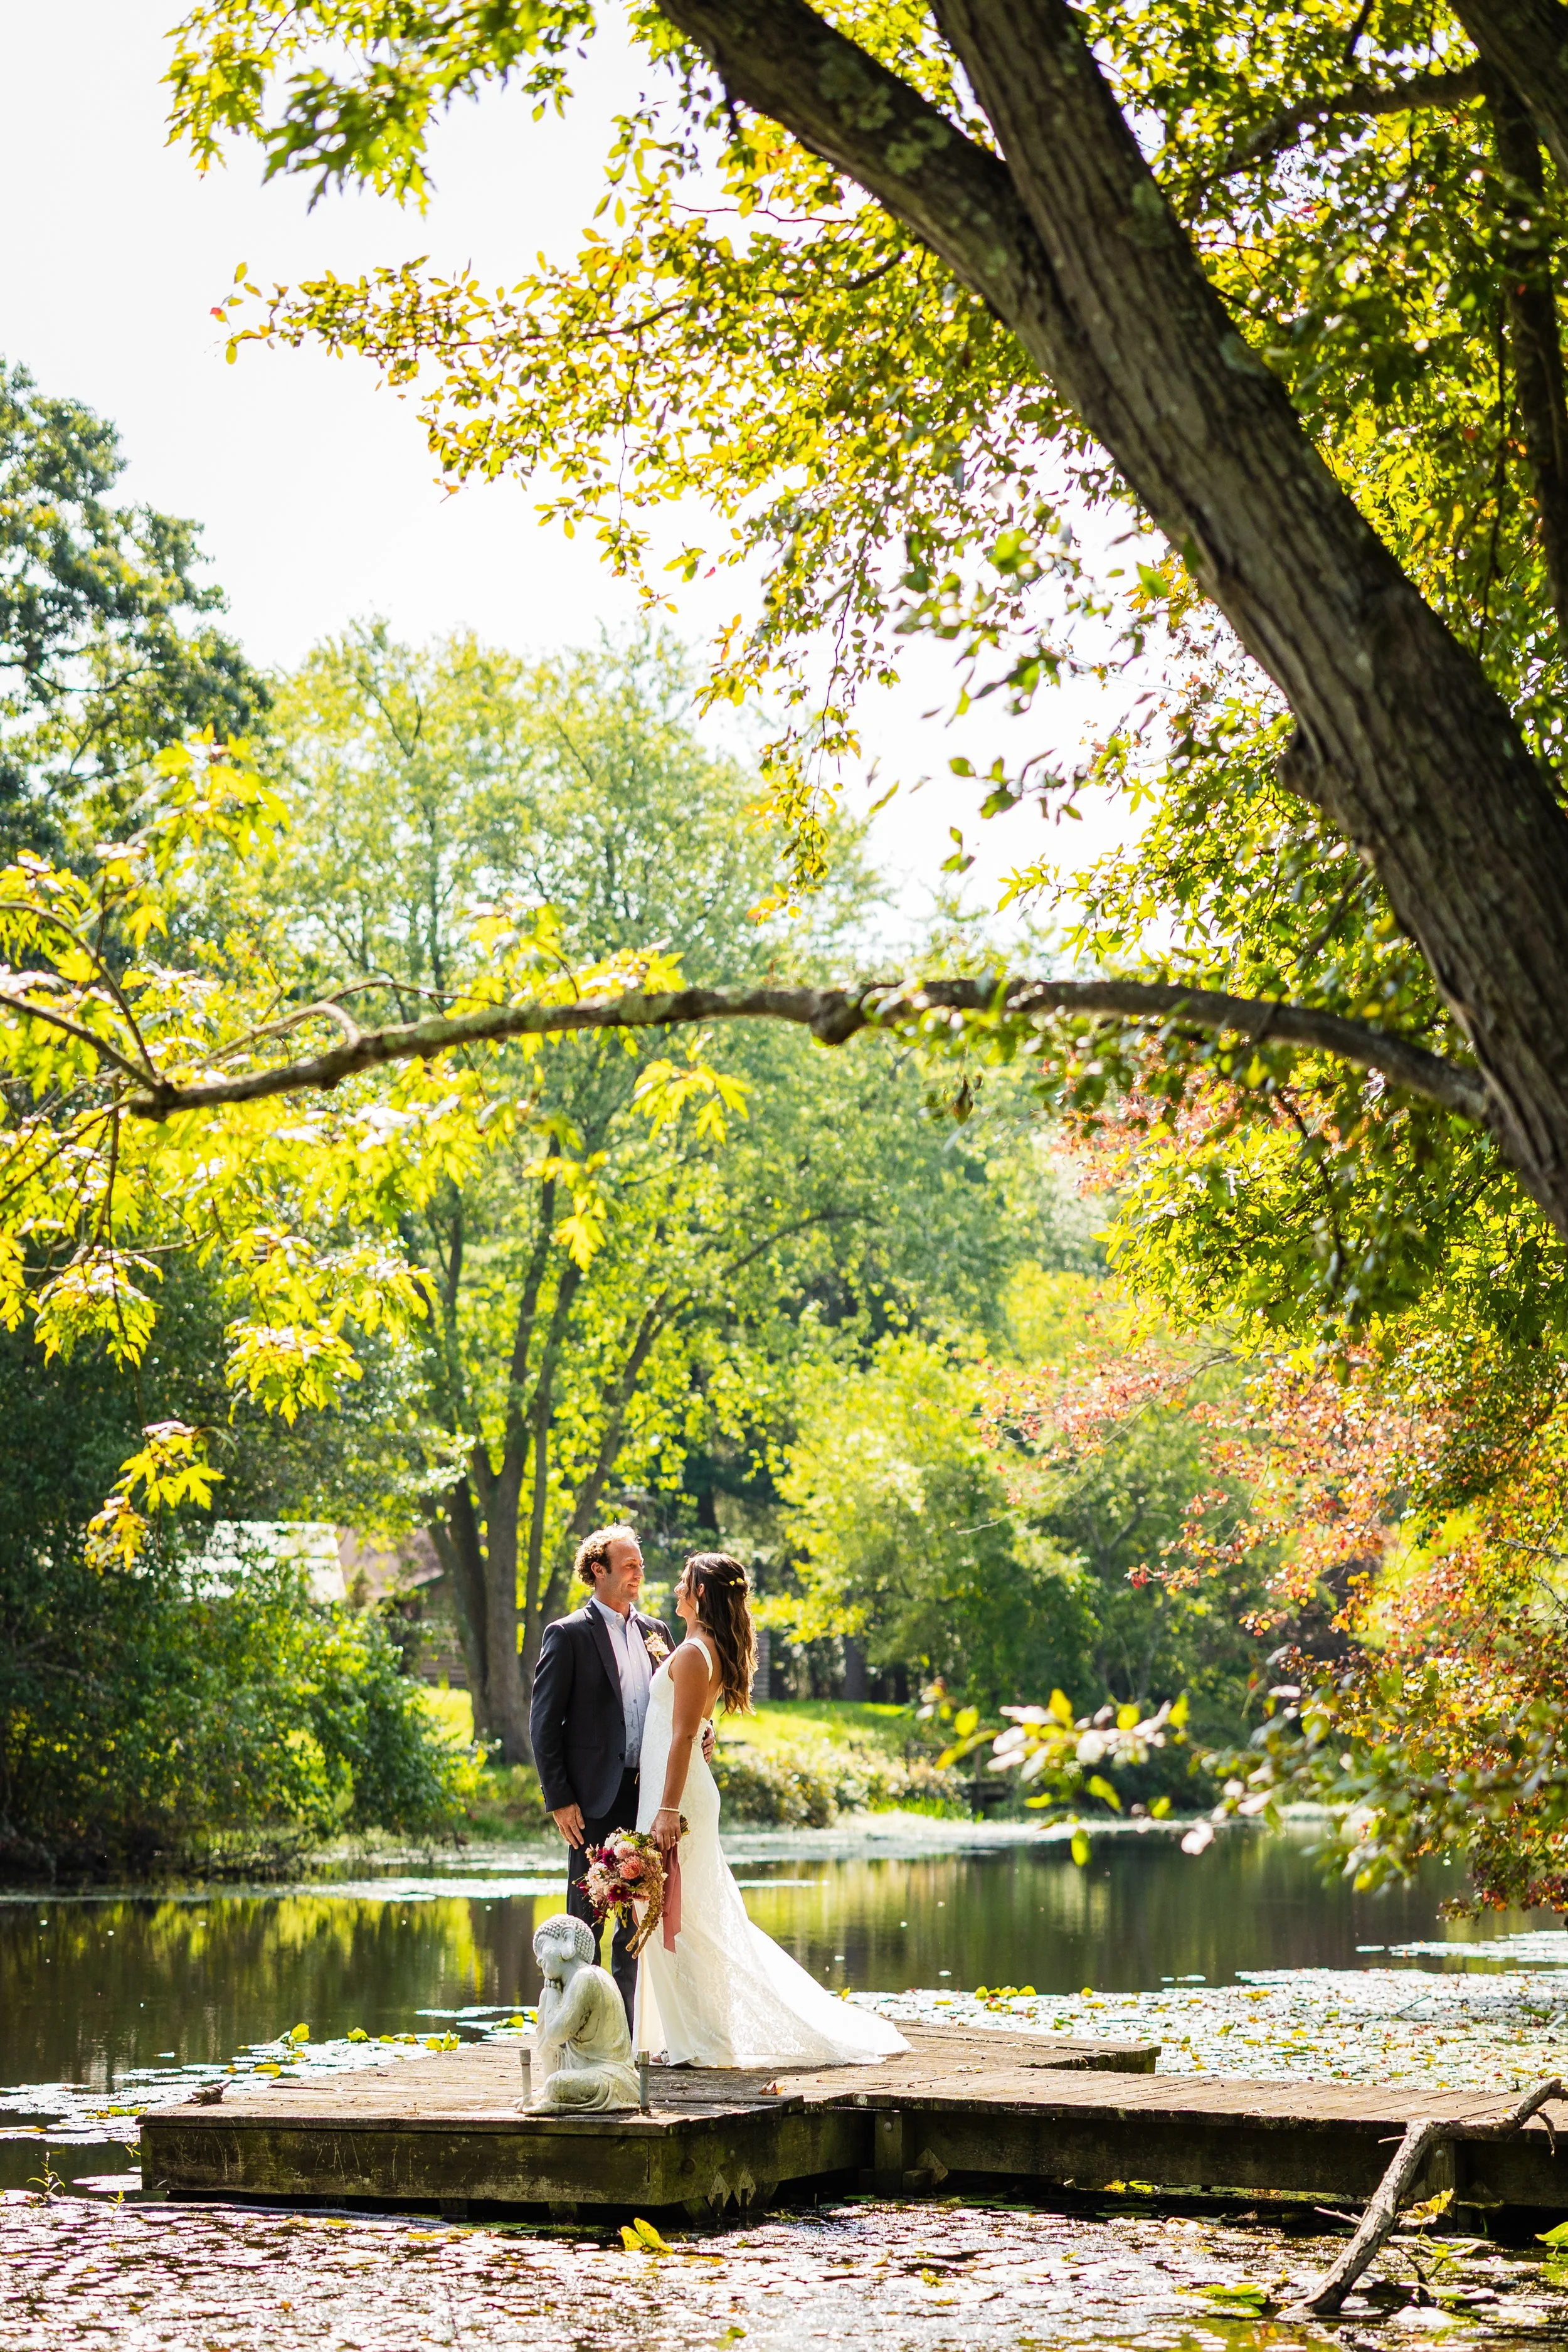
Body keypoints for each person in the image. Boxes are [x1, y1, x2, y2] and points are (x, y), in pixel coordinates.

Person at [635, 1550, 909, 2069]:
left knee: (680, 1913)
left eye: (683, 1582)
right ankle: (685, 2034)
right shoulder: (701, 1647)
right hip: (671, 1789)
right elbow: (692, 1725)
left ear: (700, 1594)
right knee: (678, 1913)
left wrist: (668, 1809)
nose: (675, 1588)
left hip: (679, 1797)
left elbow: (683, 1734)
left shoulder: (695, 1652)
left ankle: (700, 2039)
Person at [529, 1523, 713, 2033]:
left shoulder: (658, 1631)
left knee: (642, 1922)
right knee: (586, 1921)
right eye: (629, 1565)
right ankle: (579, 2032)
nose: (639, 1574)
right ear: (598, 1570)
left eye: (640, 1566)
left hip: (647, 1793)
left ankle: (629, 2037)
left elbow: (682, 1702)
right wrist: (560, 1800)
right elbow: (543, 1725)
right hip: (591, 1801)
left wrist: (705, 1729)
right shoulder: (566, 1635)